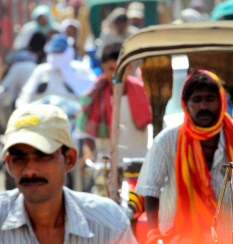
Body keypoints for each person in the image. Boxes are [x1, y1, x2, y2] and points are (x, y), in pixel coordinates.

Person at [136, 69, 233, 243]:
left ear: (221, 102)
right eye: (196, 100)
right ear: (186, 104)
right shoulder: (167, 140)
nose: (203, 107)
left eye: (210, 99)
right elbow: (150, 190)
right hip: (181, 236)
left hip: (232, 236)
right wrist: (153, 233)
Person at [0, 104, 137, 243]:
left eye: (42, 156)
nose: (30, 170)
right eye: (19, 158)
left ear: (70, 159)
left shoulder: (109, 224)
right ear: (9, 164)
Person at [75, 43, 152, 192]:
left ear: (129, 67)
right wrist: (88, 156)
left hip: (139, 170)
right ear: (103, 68)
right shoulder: (94, 97)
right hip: (106, 169)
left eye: (120, 68)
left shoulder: (144, 93)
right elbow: (87, 135)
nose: (116, 73)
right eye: (111, 69)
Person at [15, 34, 96, 108]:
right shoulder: (41, 71)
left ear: (68, 51)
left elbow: (93, 94)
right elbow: (24, 98)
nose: (56, 56)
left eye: (60, 52)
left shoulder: (80, 69)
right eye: (55, 52)